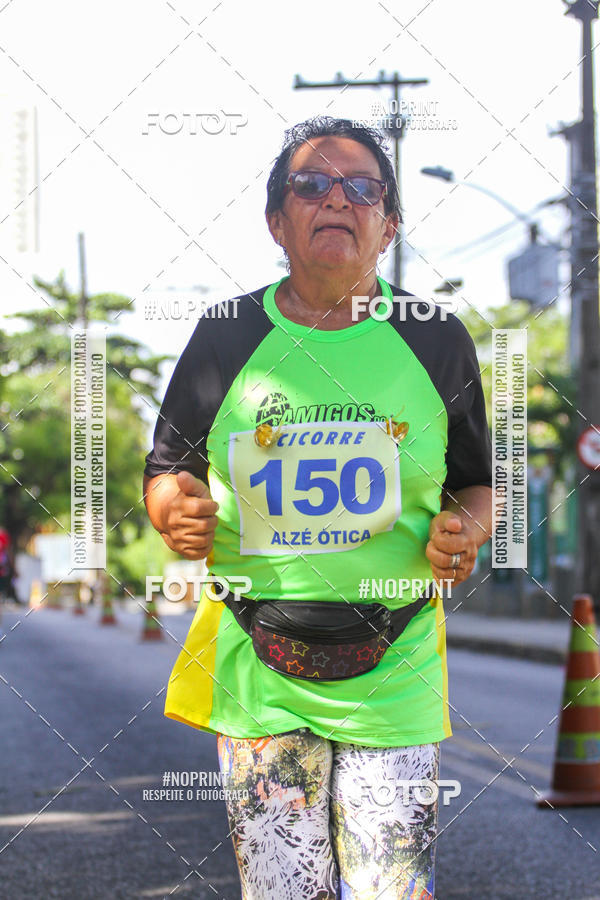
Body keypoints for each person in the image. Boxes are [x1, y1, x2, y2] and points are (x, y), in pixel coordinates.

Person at [143, 116, 493, 899]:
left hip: (394, 663)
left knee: (392, 891)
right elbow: (165, 472)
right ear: (277, 220)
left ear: (388, 225)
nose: (338, 196)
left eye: (363, 187)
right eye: (311, 184)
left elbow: (477, 482)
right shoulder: (226, 334)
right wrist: (176, 509)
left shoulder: (435, 340)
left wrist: (463, 530)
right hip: (258, 662)